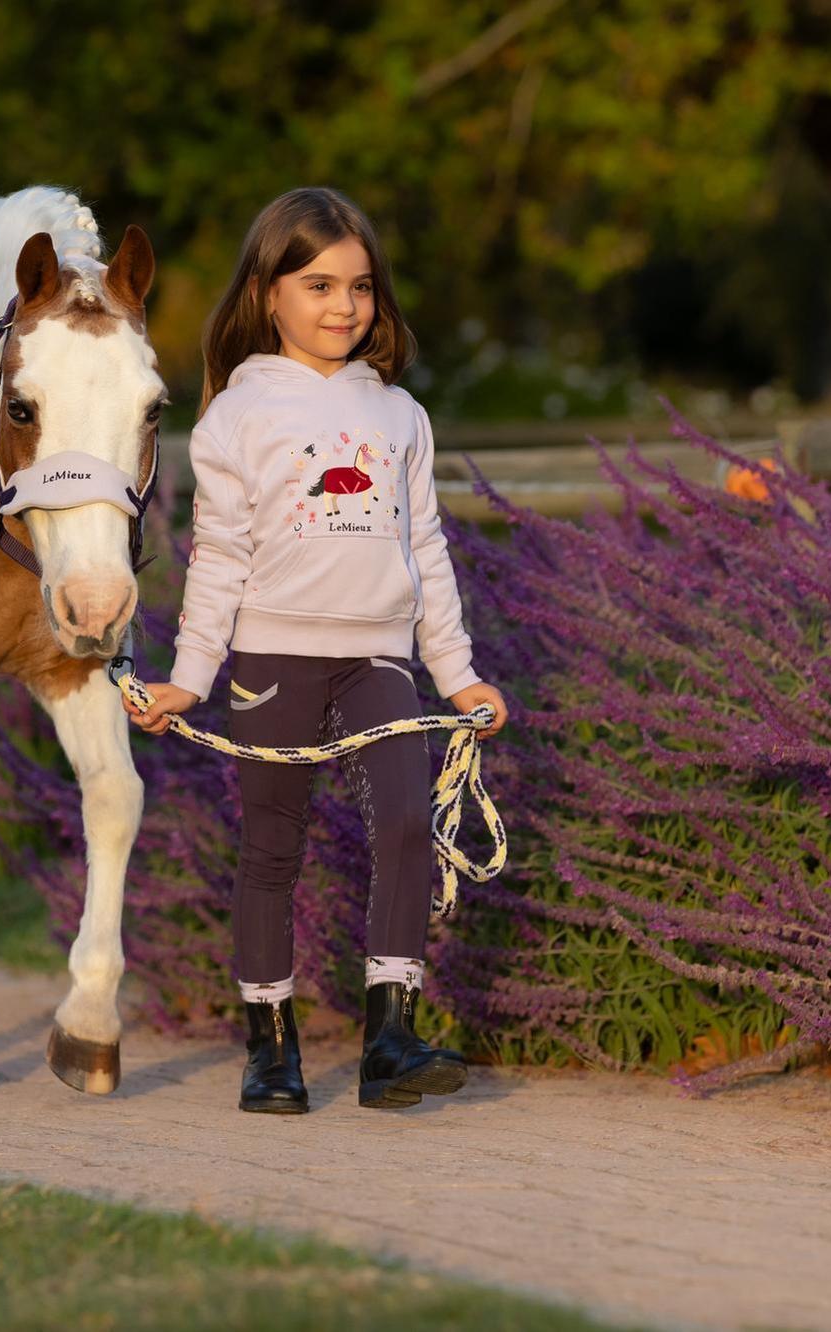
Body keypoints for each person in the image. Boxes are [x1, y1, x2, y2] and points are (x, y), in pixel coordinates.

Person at [125, 186, 509, 1114]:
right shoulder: (234, 419)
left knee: (410, 825)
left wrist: (455, 676)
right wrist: (189, 678)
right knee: (270, 851)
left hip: (380, 657)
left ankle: (390, 1040)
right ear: (268, 294)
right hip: (272, 660)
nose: (343, 306)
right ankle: (270, 1049)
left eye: (361, 287)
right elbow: (218, 559)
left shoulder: (400, 417)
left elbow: (425, 550)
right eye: (318, 284)